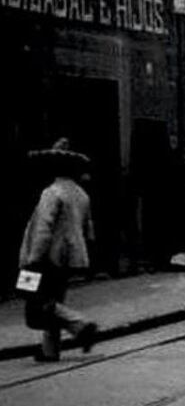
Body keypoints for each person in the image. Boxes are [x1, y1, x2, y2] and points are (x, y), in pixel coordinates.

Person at [18, 138, 100, 362]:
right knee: (54, 298)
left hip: (45, 257)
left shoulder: (51, 193)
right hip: (70, 258)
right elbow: (89, 230)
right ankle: (50, 350)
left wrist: (33, 259)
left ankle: (81, 326)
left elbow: (43, 229)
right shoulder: (81, 194)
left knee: (35, 300)